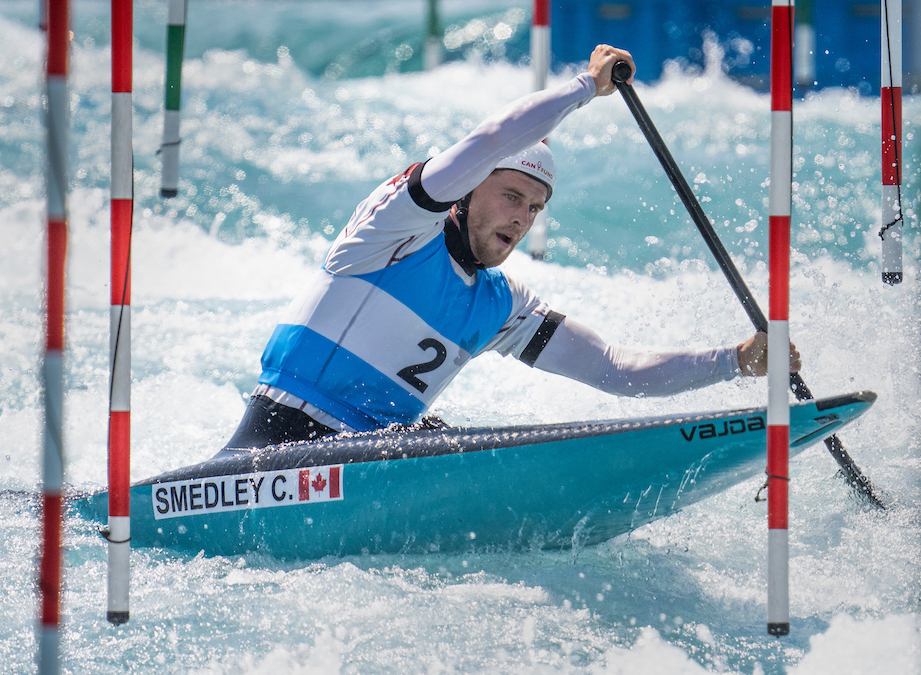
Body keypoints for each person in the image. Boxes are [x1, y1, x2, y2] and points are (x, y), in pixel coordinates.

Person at [224, 45, 799, 450]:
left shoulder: (502, 305)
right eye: (511, 195)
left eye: (535, 207)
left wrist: (736, 361)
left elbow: (615, 369)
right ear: (467, 191)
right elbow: (490, 140)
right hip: (271, 450)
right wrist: (585, 87)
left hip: (375, 460)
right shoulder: (389, 235)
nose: (522, 216)